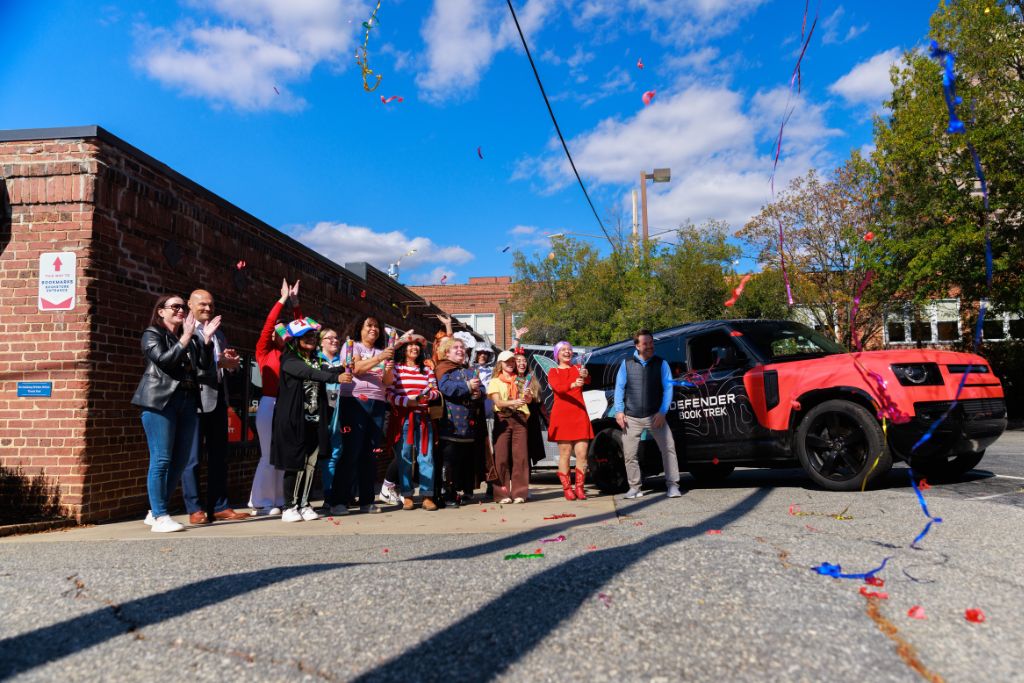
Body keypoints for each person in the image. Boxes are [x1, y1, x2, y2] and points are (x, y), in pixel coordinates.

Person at [131, 294, 207, 533]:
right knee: (161, 458)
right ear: (161, 311)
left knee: (180, 460)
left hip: (186, 401)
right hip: (159, 403)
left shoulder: (189, 337)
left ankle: (155, 512)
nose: (181, 310)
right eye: (175, 307)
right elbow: (163, 360)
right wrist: (185, 338)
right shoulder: (152, 334)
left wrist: (206, 339)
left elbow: (202, 368)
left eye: (183, 307)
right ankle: (161, 516)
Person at [270, 318, 351, 522]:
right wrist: (335, 378)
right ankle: (290, 506)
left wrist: (342, 368)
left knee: (311, 464)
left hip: (315, 419)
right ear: (295, 340)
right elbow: (310, 373)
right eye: (305, 336)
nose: (311, 339)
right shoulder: (288, 360)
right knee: (295, 464)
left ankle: (304, 503)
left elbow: (323, 371)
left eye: (313, 336)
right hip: (294, 421)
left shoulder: (315, 359)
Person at [181, 289, 248, 525]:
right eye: (202, 305)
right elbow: (189, 363)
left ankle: (219, 506)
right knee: (192, 458)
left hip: (219, 399)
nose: (207, 309)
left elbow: (227, 367)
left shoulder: (219, 334)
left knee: (220, 456)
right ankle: (195, 509)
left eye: (211, 305)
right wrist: (219, 361)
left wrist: (231, 364)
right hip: (195, 400)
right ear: (190, 304)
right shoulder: (183, 331)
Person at [329, 315, 394, 515]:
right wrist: (380, 359)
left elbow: (388, 381)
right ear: (360, 328)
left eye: (377, 326)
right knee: (351, 451)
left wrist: (388, 368)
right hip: (355, 401)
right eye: (369, 325)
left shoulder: (382, 351)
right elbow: (354, 369)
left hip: (378, 403)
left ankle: (367, 501)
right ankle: (339, 500)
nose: (373, 329)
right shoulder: (352, 346)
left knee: (370, 453)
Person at [248, 279, 301, 517]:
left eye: (286, 329)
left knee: (284, 455)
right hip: (269, 403)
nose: (283, 331)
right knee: (268, 455)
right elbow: (268, 326)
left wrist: (296, 303)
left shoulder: (294, 354)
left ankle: (280, 499)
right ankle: (261, 501)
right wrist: (282, 300)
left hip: (289, 406)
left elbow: (303, 330)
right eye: (279, 329)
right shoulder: (264, 352)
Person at [613, 329, 682, 499]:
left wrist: (663, 412)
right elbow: (619, 388)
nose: (650, 346)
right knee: (629, 455)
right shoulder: (626, 364)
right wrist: (619, 411)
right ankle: (634, 488)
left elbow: (668, 388)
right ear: (637, 346)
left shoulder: (662, 363)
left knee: (668, 449)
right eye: (645, 343)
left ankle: (673, 486)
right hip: (632, 418)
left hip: (655, 416)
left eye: (651, 343)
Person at [385, 334, 440, 511]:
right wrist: (407, 402)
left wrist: (425, 397)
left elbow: (435, 391)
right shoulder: (396, 369)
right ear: (404, 348)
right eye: (410, 345)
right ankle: (407, 495)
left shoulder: (427, 369)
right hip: (404, 418)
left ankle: (427, 495)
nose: (414, 348)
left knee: (427, 456)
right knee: (405, 457)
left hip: (423, 417)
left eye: (417, 345)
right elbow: (389, 393)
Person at [434, 336, 490, 506]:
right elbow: (445, 388)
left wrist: (479, 393)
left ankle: (463, 491)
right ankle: (447, 494)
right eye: (456, 347)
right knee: (449, 460)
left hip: (469, 424)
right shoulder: (443, 369)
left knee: (465, 461)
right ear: (447, 352)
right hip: (449, 423)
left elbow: (481, 388)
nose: (460, 350)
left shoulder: (470, 370)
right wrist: (467, 387)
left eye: (462, 348)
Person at [547, 341, 595, 500]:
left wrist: (586, 375)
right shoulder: (553, 371)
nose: (567, 352)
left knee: (582, 454)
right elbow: (559, 388)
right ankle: (567, 488)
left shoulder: (578, 368)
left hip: (579, 414)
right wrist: (574, 383)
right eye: (563, 350)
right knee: (565, 454)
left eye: (569, 350)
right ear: (557, 354)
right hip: (562, 416)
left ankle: (579, 487)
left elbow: (588, 380)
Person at [487, 350, 532, 503]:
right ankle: (501, 494)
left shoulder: (520, 379)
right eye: (508, 362)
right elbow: (498, 402)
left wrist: (526, 396)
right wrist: (514, 402)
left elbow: (528, 400)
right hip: (503, 418)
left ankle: (519, 493)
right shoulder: (495, 381)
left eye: (513, 361)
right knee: (501, 457)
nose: (511, 364)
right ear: (500, 364)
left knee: (521, 457)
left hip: (520, 417)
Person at [317, 327, 344, 507]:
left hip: (340, 410)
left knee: (336, 452)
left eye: (336, 338)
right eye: (329, 338)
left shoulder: (343, 361)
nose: (334, 340)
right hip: (320, 410)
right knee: (321, 454)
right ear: (321, 342)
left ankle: (333, 494)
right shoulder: (316, 360)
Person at [514, 348, 547, 469]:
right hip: (516, 420)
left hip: (530, 423)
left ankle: (525, 481)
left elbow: (540, 405)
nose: (522, 363)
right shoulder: (510, 380)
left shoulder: (532, 380)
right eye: (518, 361)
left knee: (527, 453)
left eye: (524, 361)